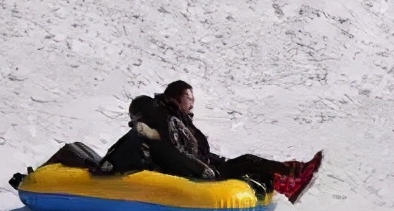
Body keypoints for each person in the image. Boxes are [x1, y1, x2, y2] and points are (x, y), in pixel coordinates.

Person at [137, 80, 322, 203]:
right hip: (200, 172)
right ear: (176, 98)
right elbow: (178, 153)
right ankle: (295, 173)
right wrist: (206, 168)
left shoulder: (177, 119)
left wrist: (217, 160)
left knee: (248, 165)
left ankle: (291, 182)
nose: (192, 103)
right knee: (247, 160)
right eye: (189, 98)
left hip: (204, 166)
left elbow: (193, 150)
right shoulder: (170, 120)